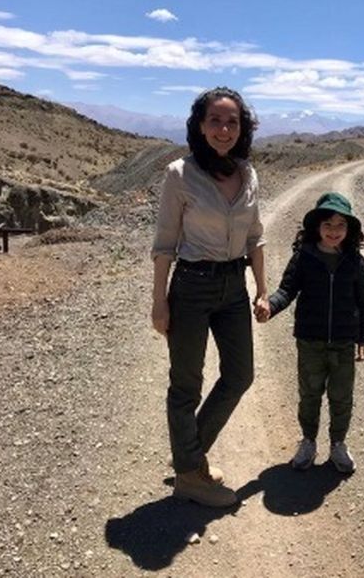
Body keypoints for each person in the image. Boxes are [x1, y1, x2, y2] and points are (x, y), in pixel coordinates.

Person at [151, 87, 267, 507]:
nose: (223, 129)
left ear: (243, 127)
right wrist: (159, 301)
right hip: (192, 285)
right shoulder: (179, 174)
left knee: (240, 376)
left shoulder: (248, 173)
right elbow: (165, 243)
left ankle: (189, 459)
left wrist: (263, 290)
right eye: (215, 121)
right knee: (186, 384)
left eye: (232, 121)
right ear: (200, 126)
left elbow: (255, 236)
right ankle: (191, 474)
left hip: (234, 287)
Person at [257, 192, 364, 474]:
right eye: (328, 225)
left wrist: (363, 337)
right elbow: (287, 290)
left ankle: (338, 444)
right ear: (316, 227)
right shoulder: (303, 258)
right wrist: (270, 306)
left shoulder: (357, 263)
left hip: (344, 342)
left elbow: (363, 303)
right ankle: (308, 441)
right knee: (310, 394)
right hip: (310, 340)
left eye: (340, 226)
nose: (334, 232)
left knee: (342, 396)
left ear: (350, 229)